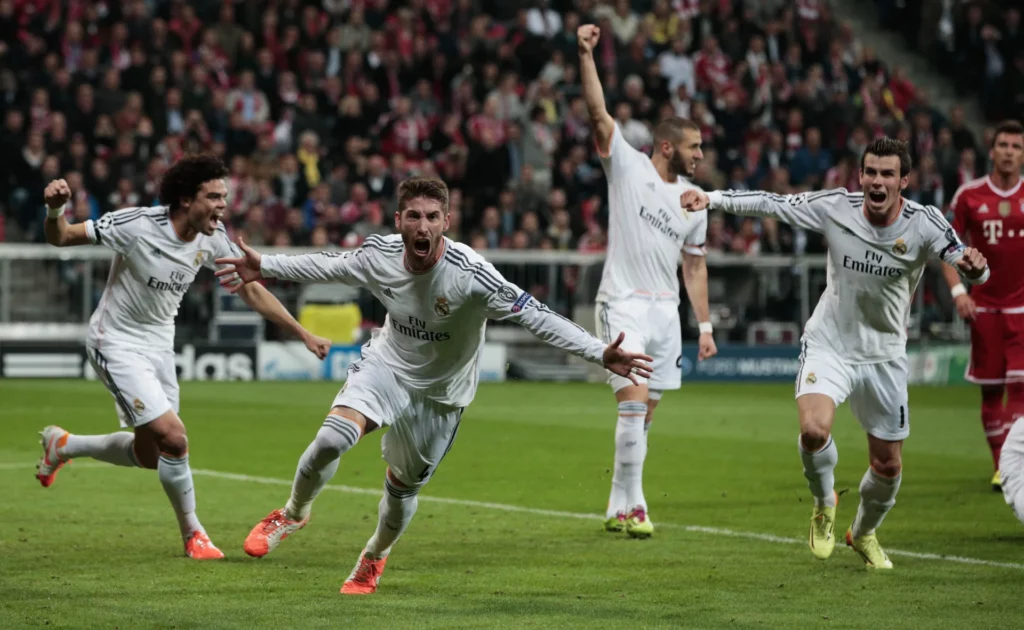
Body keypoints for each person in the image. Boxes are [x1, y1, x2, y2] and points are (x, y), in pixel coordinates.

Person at [216, 177, 653, 594]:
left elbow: (536, 314)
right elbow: (328, 264)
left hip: (443, 394)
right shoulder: (380, 254)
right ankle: (292, 513)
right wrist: (265, 265)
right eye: (413, 216)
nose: (421, 226)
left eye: (431, 217)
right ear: (398, 221)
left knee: (401, 488)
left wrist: (599, 351)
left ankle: (374, 555)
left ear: (446, 221)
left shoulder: (471, 275)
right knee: (332, 437)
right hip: (388, 366)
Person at [680, 137, 990, 569]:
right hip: (830, 344)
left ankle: (862, 533)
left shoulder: (924, 223)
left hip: (884, 356)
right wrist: (712, 198)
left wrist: (978, 271)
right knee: (813, 431)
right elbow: (772, 203)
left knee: (888, 466)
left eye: (887, 174)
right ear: (860, 175)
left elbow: (964, 261)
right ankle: (825, 501)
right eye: (871, 172)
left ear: (904, 181)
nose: (877, 181)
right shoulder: (836, 207)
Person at [34, 154, 331, 560]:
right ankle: (194, 535)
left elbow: (249, 288)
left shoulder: (213, 236)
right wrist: (55, 210)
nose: (222, 205)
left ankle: (64, 445)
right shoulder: (136, 225)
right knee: (174, 438)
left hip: (159, 345)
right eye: (213, 197)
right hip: (115, 341)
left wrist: (302, 333)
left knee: (151, 455)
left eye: (224, 196)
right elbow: (62, 237)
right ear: (186, 199)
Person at [577, 23, 716, 539]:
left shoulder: (694, 202)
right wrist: (585, 54)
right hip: (623, 302)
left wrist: (704, 326)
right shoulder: (628, 168)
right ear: (666, 147)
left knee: (644, 416)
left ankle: (618, 504)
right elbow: (598, 113)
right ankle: (636, 507)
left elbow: (694, 266)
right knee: (633, 404)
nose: (700, 155)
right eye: (693, 147)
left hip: (665, 314)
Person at [942, 120, 1024, 491]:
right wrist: (959, 292)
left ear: (1022, 155)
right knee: (991, 390)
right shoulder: (969, 196)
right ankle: (999, 467)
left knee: (1020, 388)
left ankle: (1013, 464)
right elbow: (945, 246)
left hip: (1022, 310)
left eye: (1016, 146)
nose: (1009, 152)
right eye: (1003, 145)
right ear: (991, 151)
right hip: (984, 308)